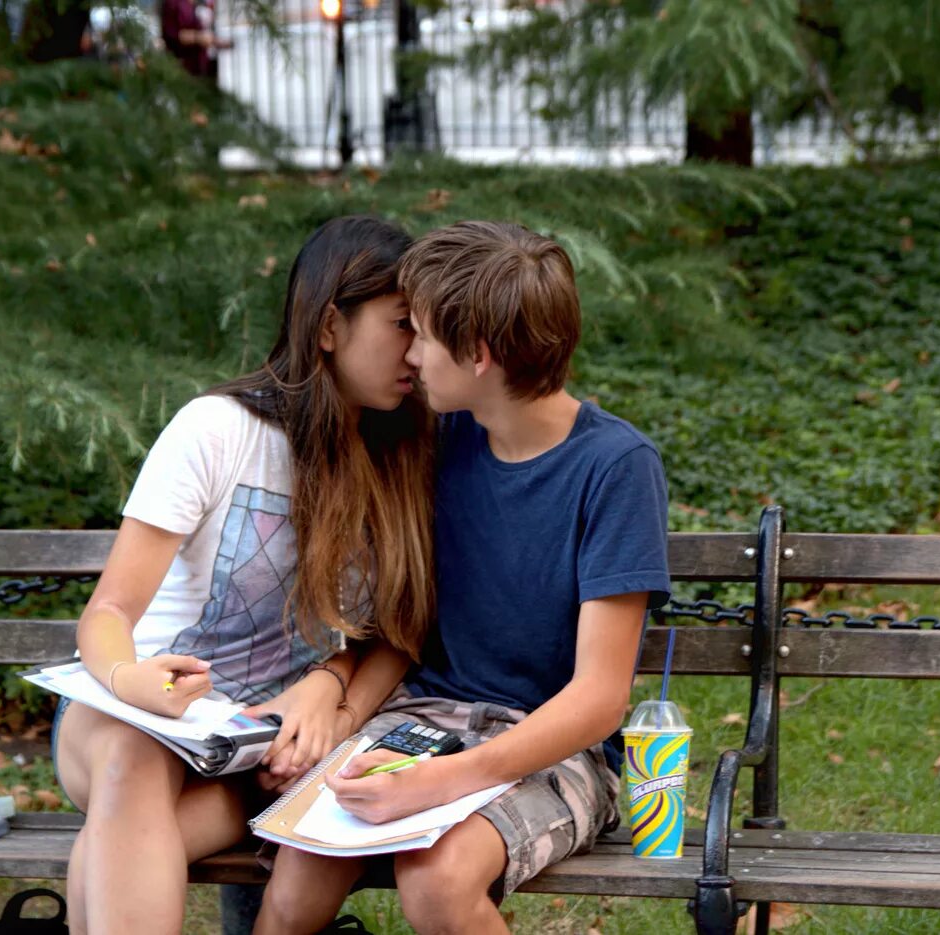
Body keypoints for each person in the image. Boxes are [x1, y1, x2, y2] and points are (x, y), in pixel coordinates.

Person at [254, 221, 671, 935]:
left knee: (438, 878)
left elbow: (600, 699)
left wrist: (441, 781)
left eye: (419, 334)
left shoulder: (615, 468)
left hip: (554, 747)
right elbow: (391, 620)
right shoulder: (437, 439)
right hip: (419, 723)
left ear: (477, 354)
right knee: (299, 870)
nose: (409, 355)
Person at [51, 215, 436, 935]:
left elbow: (401, 635)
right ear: (329, 327)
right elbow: (107, 613)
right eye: (400, 325)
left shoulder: (402, 456)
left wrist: (334, 697)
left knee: (114, 845)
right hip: (126, 717)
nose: (417, 352)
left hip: (260, 753)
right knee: (134, 761)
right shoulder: (217, 430)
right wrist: (136, 680)